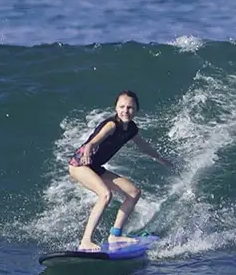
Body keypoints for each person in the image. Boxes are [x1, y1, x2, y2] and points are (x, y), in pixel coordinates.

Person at [68, 90, 171, 251]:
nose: (126, 110)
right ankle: (85, 241)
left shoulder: (131, 129)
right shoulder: (111, 125)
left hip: (95, 167)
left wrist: (159, 158)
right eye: (122, 106)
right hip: (80, 165)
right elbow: (92, 142)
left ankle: (115, 235)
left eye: (130, 107)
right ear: (116, 108)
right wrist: (88, 149)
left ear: (136, 110)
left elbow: (143, 146)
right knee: (105, 195)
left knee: (134, 192)